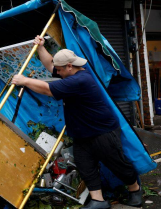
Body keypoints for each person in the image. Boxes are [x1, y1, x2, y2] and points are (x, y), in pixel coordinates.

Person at [11, 36, 142, 209]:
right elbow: (51, 65)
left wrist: (24, 81)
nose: (56, 73)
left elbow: (48, 89)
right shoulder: (70, 73)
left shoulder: (81, 79)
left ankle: (135, 190)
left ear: (70, 66)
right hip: (82, 133)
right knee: (85, 165)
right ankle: (99, 201)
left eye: (59, 70)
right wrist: (41, 47)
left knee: (117, 163)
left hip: (102, 131)